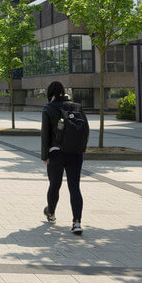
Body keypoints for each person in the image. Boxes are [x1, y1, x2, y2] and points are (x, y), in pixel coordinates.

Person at [40, 81, 86, 234]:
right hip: (76, 153)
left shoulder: (49, 108)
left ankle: (51, 213)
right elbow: (85, 129)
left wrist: (44, 155)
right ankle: (77, 222)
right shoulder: (77, 107)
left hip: (56, 153)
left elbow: (45, 134)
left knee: (54, 185)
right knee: (75, 187)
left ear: (50, 93)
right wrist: (82, 150)